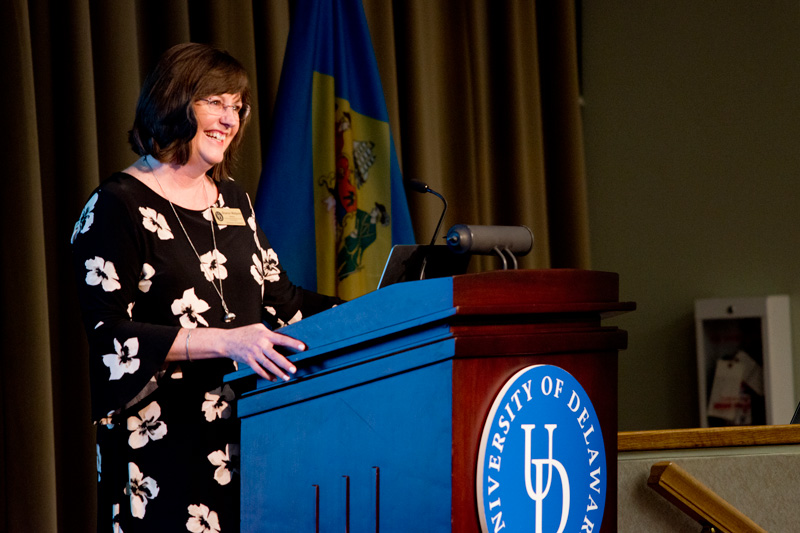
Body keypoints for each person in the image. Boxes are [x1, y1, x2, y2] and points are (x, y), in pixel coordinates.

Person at [71, 42, 342, 532]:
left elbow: (284, 304)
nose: (229, 119)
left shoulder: (233, 199)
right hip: (162, 450)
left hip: (251, 441)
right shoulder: (116, 206)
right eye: (214, 102)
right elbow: (110, 336)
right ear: (175, 102)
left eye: (236, 106)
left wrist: (389, 307)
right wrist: (227, 339)